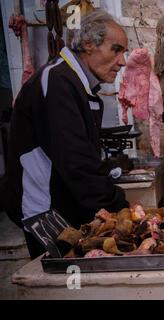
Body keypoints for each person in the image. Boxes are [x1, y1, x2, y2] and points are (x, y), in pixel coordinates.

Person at [0, 10, 129, 259]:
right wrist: (120, 208)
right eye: (116, 50)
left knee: (83, 282)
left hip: (64, 205)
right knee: (66, 286)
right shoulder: (58, 81)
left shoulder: (78, 84)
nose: (123, 61)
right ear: (89, 45)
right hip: (44, 211)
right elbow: (76, 160)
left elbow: (82, 156)